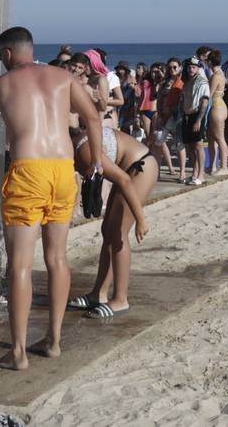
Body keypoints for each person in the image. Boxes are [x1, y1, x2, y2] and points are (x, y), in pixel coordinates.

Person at [0, 26, 104, 370]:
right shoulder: (63, 77)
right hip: (63, 170)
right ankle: (53, 340)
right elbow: (93, 116)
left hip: (28, 171)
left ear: (7, 53)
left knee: (20, 263)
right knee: (57, 258)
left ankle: (18, 351)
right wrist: (94, 161)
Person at [66, 129, 154, 320]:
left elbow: (123, 180)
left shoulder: (83, 150)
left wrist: (141, 219)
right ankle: (99, 293)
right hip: (127, 169)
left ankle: (121, 299)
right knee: (108, 230)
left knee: (118, 234)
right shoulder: (72, 148)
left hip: (140, 168)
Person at [180, 57, 210, 185]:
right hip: (187, 116)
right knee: (190, 146)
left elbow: (204, 102)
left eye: (194, 67)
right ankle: (194, 173)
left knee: (198, 146)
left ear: (198, 69)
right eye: (189, 67)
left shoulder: (202, 82)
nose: (191, 69)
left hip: (196, 115)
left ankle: (201, 175)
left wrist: (198, 120)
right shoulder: (188, 81)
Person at [205, 49, 228, 176]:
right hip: (219, 105)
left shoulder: (216, 76)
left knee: (219, 138)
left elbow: (209, 94)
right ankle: (212, 166)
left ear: (210, 62)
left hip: (216, 107)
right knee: (211, 138)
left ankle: (224, 167)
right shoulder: (221, 73)